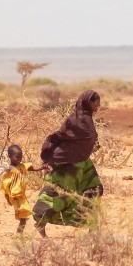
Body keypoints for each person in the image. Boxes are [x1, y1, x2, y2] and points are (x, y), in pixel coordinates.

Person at [33, 90, 104, 235]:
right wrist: (51, 158)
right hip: (69, 164)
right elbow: (60, 136)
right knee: (62, 194)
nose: (99, 105)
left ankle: (91, 225)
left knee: (94, 189)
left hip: (84, 163)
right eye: (96, 102)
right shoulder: (74, 120)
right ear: (88, 102)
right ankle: (41, 221)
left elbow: (89, 139)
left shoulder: (88, 119)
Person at [0, 144, 33, 234]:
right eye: (17, 157)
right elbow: (5, 185)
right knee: (24, 212)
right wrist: (7, 198)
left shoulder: (21, 166)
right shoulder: (9, 170)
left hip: (22, 196)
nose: (19, 159)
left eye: (21, 157)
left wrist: (43, 167)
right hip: (14, 196)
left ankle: (19, 232)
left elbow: (31, 167)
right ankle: (19, 233)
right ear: (10, 156)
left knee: (24, 215)